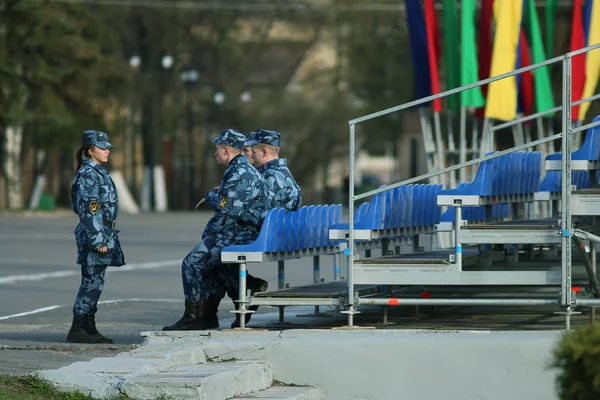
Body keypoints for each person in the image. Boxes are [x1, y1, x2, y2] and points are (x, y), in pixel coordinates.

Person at [163, 129, 270, 331]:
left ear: (227, 150)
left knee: (192, 263)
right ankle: (225, 305)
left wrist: (210, 198)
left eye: (218, 149)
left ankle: (193, 317)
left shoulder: (240, 173)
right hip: (243, 230)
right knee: (215, 265)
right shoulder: (241, 170)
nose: (215, 154)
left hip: (243, 232)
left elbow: (227, 206)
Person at [227, 128, 303, 328]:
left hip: (267, 237)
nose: (248, 155)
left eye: (251, 151)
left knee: (214, 254)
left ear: (264, 153)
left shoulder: (269, 178)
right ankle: (244, 295)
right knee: (216, 254)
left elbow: (256, 212)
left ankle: (247, 294)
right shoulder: (283, 174)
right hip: (279, 235)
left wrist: (224, 199)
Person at [67, 130, 125, 344]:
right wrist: (98, 239)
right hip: (96, 233)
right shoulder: (88, 174)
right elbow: (89, 210)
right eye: (102, 147)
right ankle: (79, 327)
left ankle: (88, 326)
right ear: (91, 150)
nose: (107, 150)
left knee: (96, 281)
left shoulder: (97, 171)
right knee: (91, 281)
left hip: (103, 231)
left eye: (108, 146)